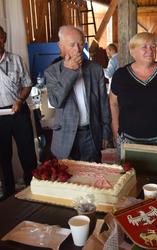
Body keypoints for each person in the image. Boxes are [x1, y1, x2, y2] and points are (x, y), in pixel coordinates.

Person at [45, 25, 111, 162]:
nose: (77, 49)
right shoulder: (52, 72)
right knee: (66, 180)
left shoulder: (95, 69)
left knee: (92, 178)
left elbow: (103, 103)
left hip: (91, 135)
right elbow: (56, 101)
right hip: (64, 136)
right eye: (72, 45)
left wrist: (106, 133)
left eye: (81, 44)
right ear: (61, 46)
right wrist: (69, 71)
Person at [110, 32, 157, 154]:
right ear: (132, 51)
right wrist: (116, 131)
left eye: (153, 46)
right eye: (144, 47)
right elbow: (113, 104)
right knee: (129, 173)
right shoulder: (121, 75)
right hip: (129, 141)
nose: (150, 50)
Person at [0, 26, 37, 199]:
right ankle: (8, 192)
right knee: (3, 155)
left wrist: (20, 100)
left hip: (18, 110)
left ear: (4, 38)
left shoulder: (16, 59)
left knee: (27, 151)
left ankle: (33, 187)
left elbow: (27, 84)